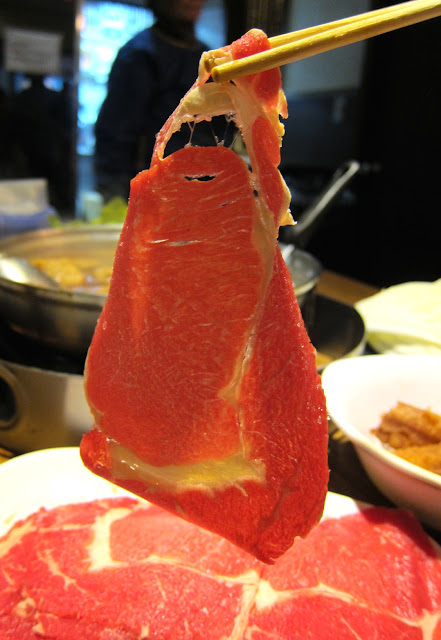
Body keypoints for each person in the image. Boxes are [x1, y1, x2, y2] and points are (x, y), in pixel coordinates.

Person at [94, 0, 232, 202]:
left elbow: (221, 129)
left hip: (201, 191)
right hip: (152, 191)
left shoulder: (207, 58)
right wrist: (117, 198)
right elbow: (115, 135)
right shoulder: (139, 54)